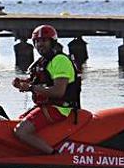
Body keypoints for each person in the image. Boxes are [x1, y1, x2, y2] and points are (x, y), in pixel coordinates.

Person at [11, 24, 82, 154]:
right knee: (17, 120)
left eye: (44, 40)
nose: (40, 44)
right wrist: (23, 84)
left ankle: (53, 156)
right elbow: (40, 83)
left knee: (21, 131)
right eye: (37, 41)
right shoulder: (43, 61)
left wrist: (31, 88)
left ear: (52, 42)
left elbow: (58, 92)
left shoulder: (60, 61)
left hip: (60, 108)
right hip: (47, 105)